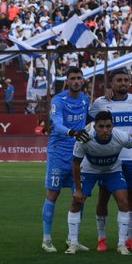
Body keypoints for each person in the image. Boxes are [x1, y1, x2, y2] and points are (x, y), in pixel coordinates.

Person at [89, 69, 132, 253]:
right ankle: (102, 238)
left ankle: (130, 238)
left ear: (130, 82)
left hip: (129, 158)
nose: (123, 82)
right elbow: (88, 121)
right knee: (103, 197)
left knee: (131, 197)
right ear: (111, 84)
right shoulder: (100, 102)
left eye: (126, 80)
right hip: (107, 157)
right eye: (118, 80)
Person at [66, 111, 132, 255]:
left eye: (108, 126)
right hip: (89, 171)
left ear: (112, 126)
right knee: (76, 202)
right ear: (95, 127)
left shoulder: (121, 136)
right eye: (101, 126)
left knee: (123, 201)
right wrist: (78, 190)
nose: (105, 130)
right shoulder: (84, 138)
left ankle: (121, 244)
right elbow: (75, 164)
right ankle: (73, 243)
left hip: (112, 171)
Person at [41, 66, 91, 253]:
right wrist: (72, 132)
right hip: (58, 152)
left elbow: (93, 116)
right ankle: (46, 239)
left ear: (83, 80)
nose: (77, 81)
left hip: (78, 152)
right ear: (67, 81)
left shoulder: (86, 100)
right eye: (73, 78)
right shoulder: (59, 100)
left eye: (79, 78)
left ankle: (73, 239)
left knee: (80, 195)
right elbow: (57, 123)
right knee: (53, 194)